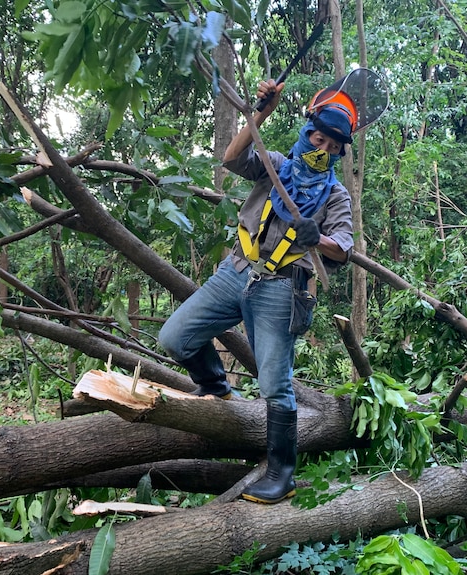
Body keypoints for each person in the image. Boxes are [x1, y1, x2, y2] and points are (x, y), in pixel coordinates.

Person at [158, 78, 356, 504]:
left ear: (340, 151)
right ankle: (215, 386)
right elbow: (232, 158)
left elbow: (343, 248)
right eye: (317, 136)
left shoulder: (335, 195)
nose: (321, 146)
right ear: (308, 132)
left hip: (282, 289)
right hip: (236, 270)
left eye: (332, 144)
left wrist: (315, 235)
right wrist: (260, 113)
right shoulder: (277, 165)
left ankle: (281, 473)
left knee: (274, 385)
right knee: (174, 338)